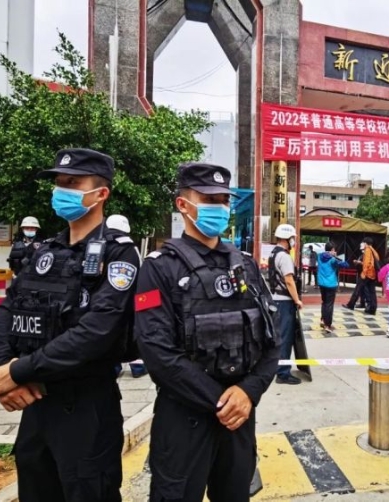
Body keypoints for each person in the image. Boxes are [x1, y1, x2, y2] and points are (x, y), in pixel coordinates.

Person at [0, 148, 141, 502]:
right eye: (59, 183)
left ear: (101, 193)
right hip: (35, 403)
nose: (61, 190)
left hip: (85, 405)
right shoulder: (44, 250)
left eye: (73, 183)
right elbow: (8, 310)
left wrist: (20, 370)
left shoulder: (119, 253)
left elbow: (97, 331)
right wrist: (4, 370)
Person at [133, 162, 280, 502]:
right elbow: (156, 351)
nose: (220, 207)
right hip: (184, 418)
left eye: (224, 200)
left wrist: (248, 392)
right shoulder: (158, 268)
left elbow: (273, 338)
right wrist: (223, 401)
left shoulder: (245, 265)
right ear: (183, 205)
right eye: (209, 199)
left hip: (239, 418)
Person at [106, 214, 147, 380]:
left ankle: (114, 365)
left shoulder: (99, 246)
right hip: (131, 300)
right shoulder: (130, 248)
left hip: (106, 302)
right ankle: (137, 365)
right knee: (133, 332)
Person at [267, 223, 303, 385]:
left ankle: (279, 369)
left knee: (279, 337)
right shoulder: (284, 256)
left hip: (275, 300)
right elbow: (289, 280)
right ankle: (283, 373)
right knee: (285, 338)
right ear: (286, 238)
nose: (294, 240)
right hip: (284, 302)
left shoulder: (273, 254)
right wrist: (297, 300)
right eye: (293, 238)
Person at [316, 242, 349, 333]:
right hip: (330, 284)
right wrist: (336, 256)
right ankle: (328, 325)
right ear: (332, 250)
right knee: (329, 305)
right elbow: (345, 265)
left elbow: (324, 256)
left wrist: (331, 255)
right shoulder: (333, 260)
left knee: (324, 302)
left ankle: (323, 320)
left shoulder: (319, 256)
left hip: (321, 283)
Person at [342, 243, 368, 310]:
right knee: (362, 289)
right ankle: (362, 303)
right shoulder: (362, 255)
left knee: (358, 289)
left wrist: (359, 262)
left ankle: (351, 304)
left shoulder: (367, 254)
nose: (361, 249)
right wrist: (357, 262)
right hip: (362, 273)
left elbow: (367, 264)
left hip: (364, 274)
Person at [360, 237, 380, 315]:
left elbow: (367, 263)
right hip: (373, 274)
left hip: (368, 274)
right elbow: (378, 258)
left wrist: (364, 273)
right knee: (372, 292)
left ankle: (352, 304)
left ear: (365, 243)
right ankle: (373, 308)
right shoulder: (372, 250)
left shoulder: (367, 250)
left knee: (362, 289)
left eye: (363, 242)